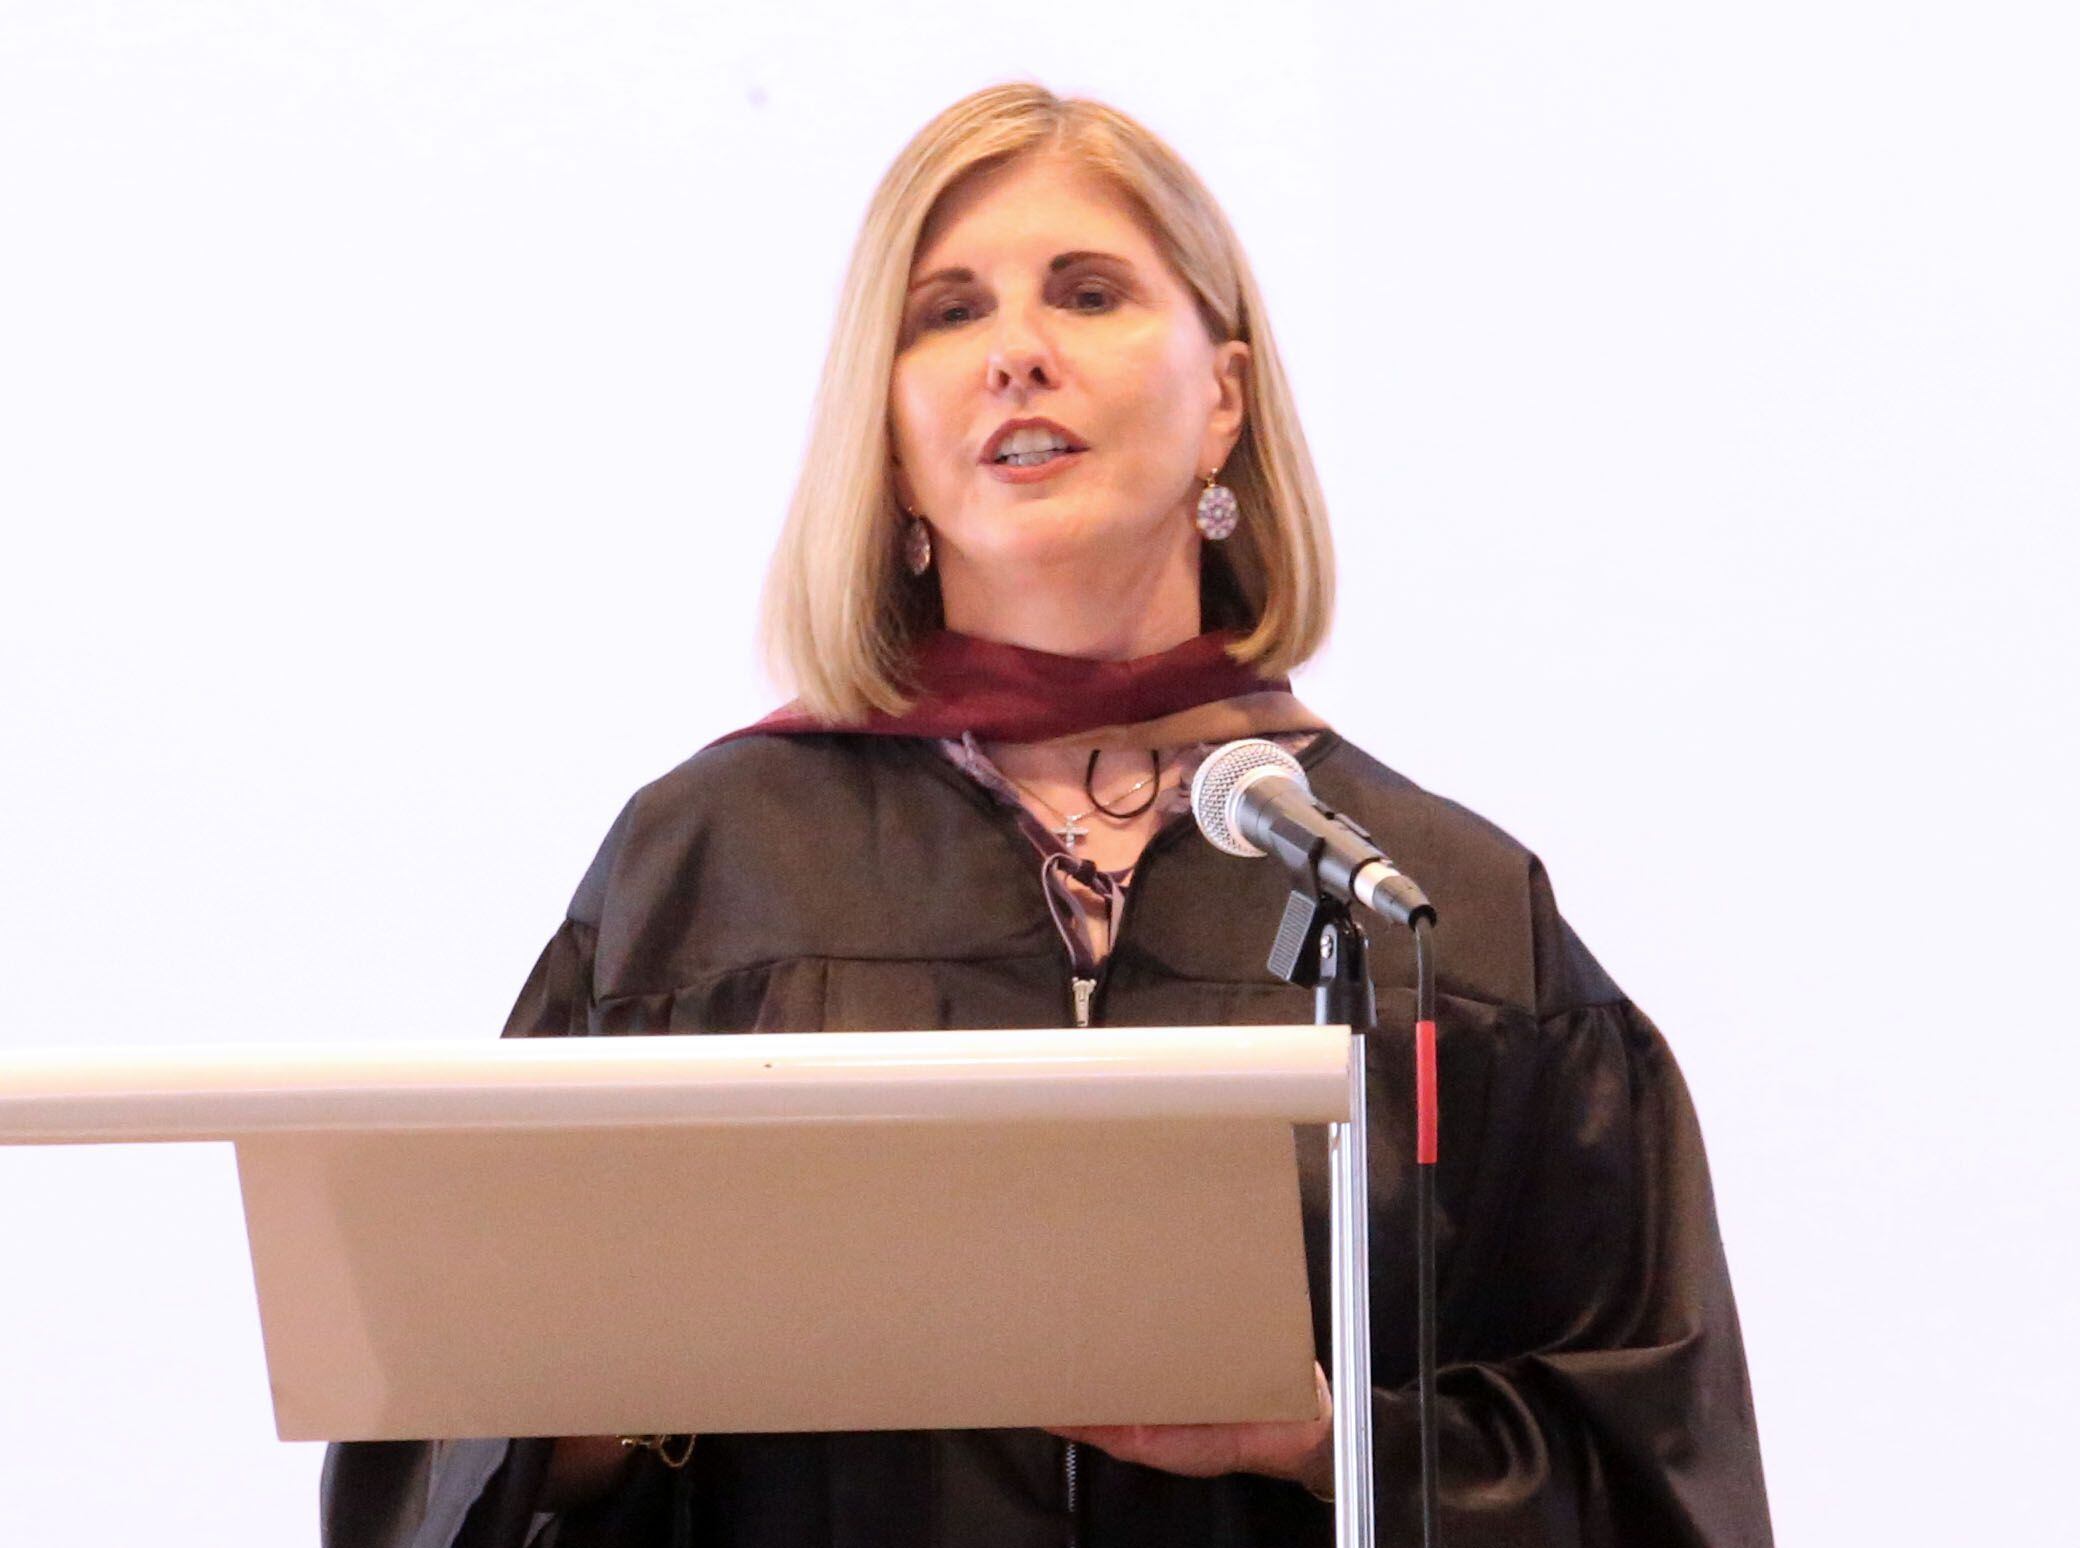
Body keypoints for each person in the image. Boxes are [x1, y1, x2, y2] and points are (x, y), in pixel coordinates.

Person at [320, 83, 1774, 1548]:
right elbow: (430, 1456)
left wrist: (1338, 1446)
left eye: (1088, 294)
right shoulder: (713, 872)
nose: (1018, 352)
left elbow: (1660, 1482)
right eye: (947, 312)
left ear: (1225, 399)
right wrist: (619, 1395)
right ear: (887, 437)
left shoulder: (1430, 906)